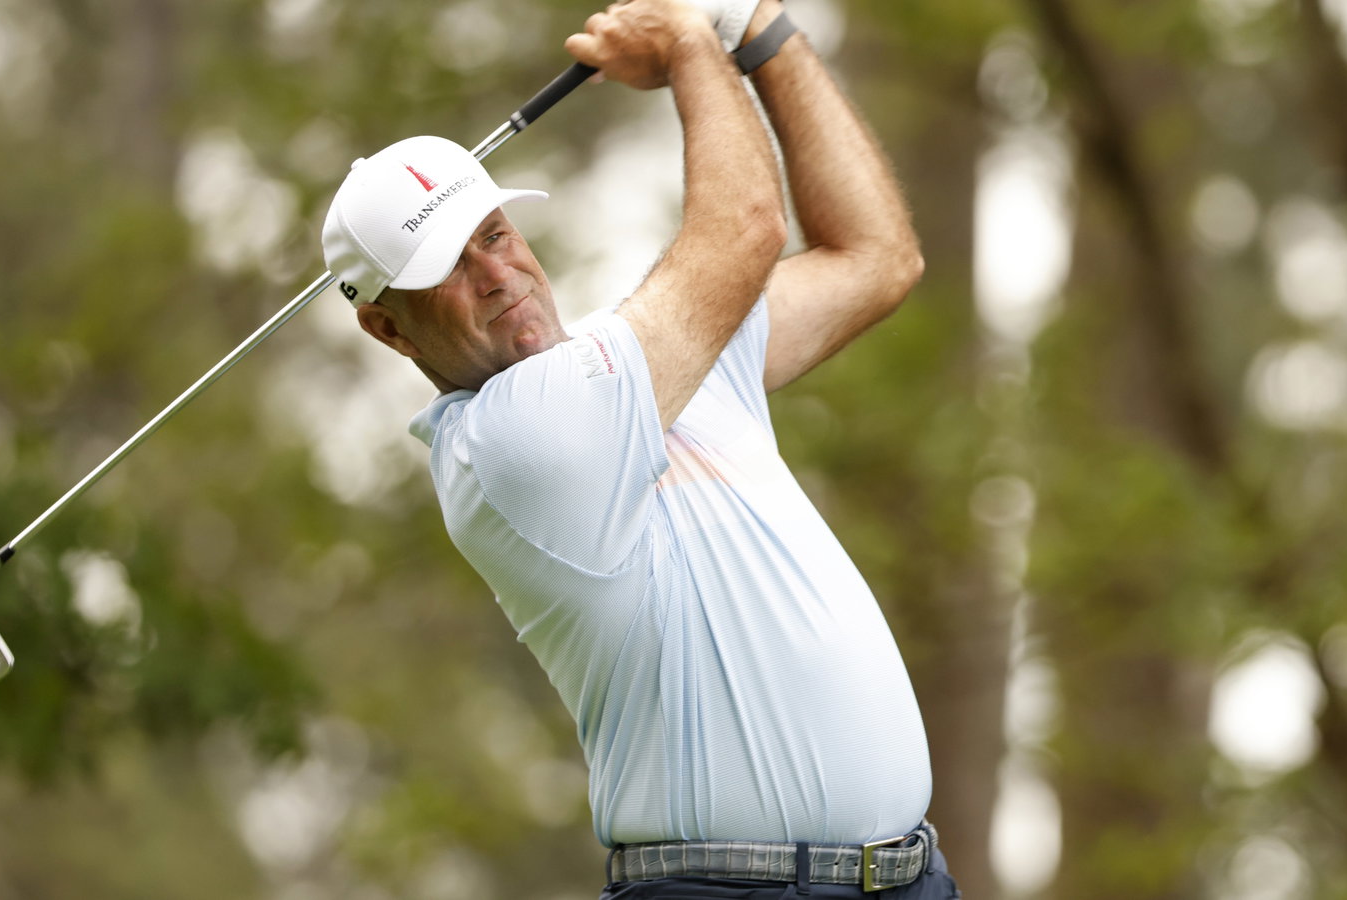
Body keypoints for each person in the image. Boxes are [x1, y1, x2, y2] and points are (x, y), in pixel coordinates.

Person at [321, 0, 956, 896]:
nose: (498, 276)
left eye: (495, 235)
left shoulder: (652, 368)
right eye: (448, 272)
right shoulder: (511, 440)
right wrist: (692, 48)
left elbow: (876, 257)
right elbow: (743, 230)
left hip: (909, 876)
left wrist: (763, 35)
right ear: (390, 328)